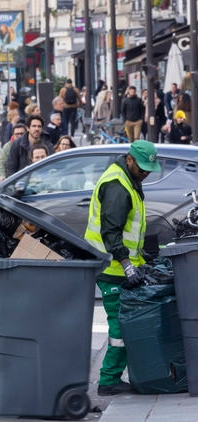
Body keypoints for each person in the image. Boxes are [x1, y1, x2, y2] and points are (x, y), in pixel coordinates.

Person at [85, 140, 161, 397]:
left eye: (149, 168)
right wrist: (128, 265)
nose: (146, 172)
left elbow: (130, 229)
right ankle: (108, 380)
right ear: (129, 159)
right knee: (120, 328)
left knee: (126, 325)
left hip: (121, 265)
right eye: (142, 167)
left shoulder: (130, 179)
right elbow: (111, 232)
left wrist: (141, 257)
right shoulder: (118, 185)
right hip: (113, 268)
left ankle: (116, 375)